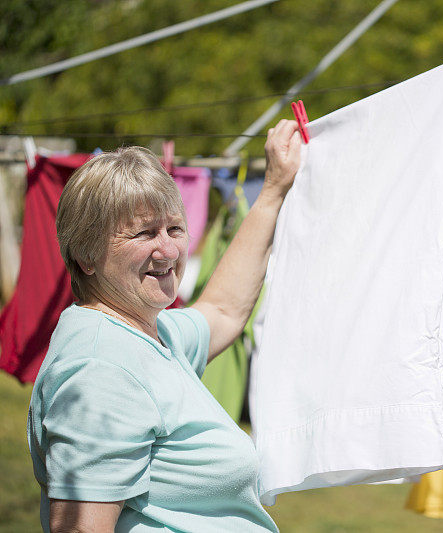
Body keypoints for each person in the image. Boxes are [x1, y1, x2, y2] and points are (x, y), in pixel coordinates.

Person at [27, 120, 302, 532]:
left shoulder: (151, 334)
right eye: (144, 233)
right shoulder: (100, 370)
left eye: (174, 228)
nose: (170, 249)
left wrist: (273, 190)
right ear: (85, 254)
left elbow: (223, 310)